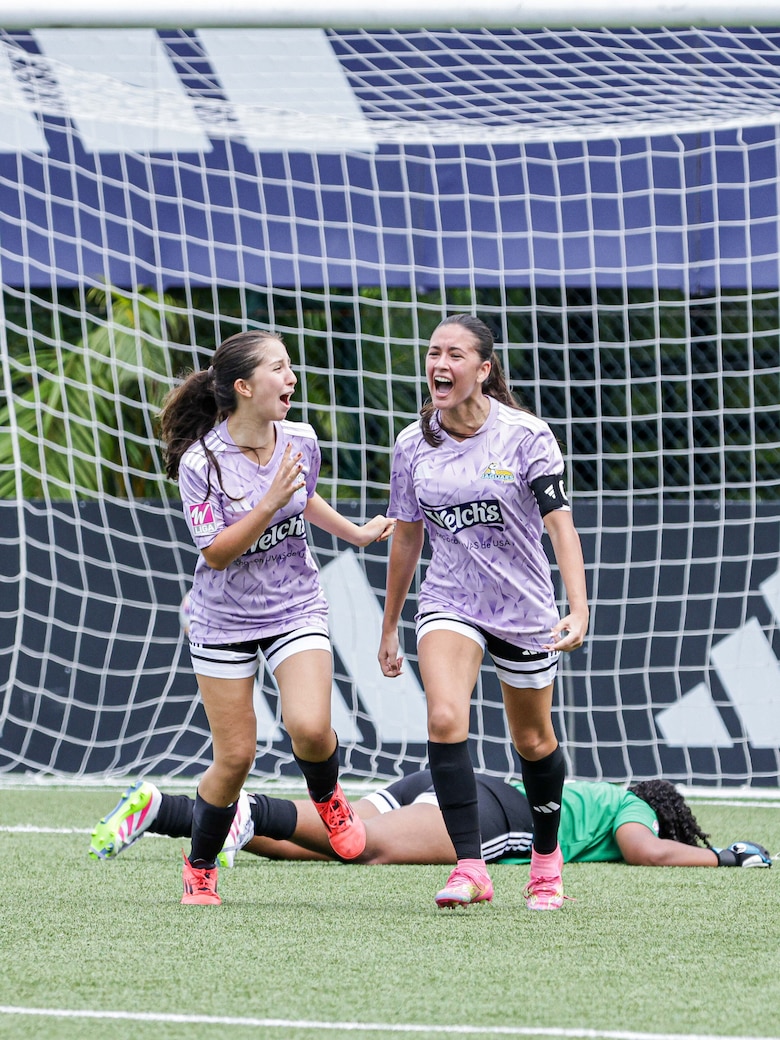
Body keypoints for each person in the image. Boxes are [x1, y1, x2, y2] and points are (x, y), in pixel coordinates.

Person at [157, 329, 395, 905]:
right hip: (222, 620)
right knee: (236, 758)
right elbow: (217, 552)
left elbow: (302, 498)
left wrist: (356, 533)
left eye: (291, 366)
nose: (292, 378)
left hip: (295, 605)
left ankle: (330, 799)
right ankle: (200, 865)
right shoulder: (201, 462)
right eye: (279, 368)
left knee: (309, 727)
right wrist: (266, 503)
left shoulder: (302, 439)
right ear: (243, 387)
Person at [377, 314, 590, 911]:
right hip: (449, 600)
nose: (439, 364)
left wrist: (578, 607)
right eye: (433, 353)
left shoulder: (525, 435)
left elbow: (560, 526)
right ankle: (471, 867)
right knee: (445, 718)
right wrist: (390, 625)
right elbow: (407, 536)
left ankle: (545, 861)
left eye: (455, 354)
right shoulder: (412, 444)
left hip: (522, 607)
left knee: (533, 737)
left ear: (484, 368)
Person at [88, 772, 773, 871]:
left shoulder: (596, 792)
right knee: (367, 848)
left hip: (442, 782)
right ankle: (245, 810)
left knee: (330, 843)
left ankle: (169, 812)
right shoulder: (630, 805)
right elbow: (647, 851)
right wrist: (724, 857)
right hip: (495, 811)